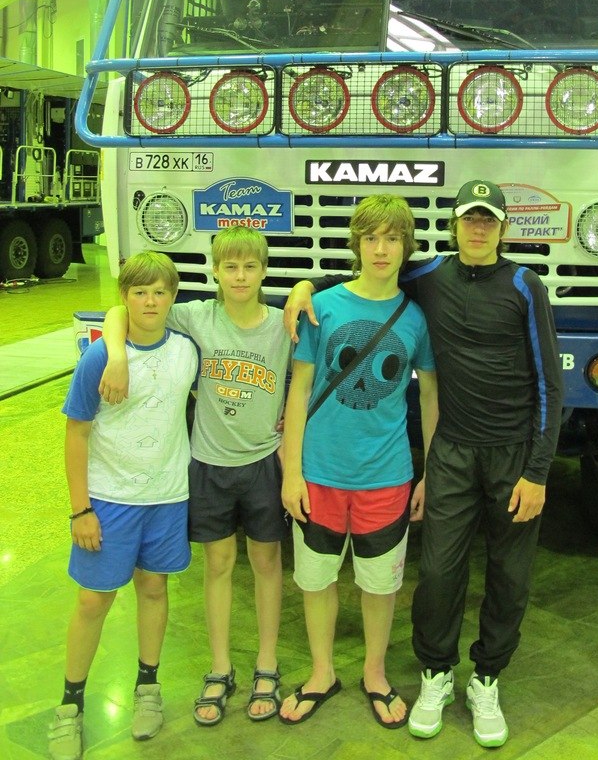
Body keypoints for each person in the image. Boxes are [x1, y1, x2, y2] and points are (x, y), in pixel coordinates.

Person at [284, 179, 564, 749]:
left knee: (510, 575)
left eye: (488, 220)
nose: (478, 229)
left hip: (511, 453)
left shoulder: (524, 284)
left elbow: (550, 383)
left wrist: (537, 471)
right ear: (454, 225)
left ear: (502, 227)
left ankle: (486, 679)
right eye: (469, 219)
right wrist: (305, 285)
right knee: (437, 573)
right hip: (453, 451)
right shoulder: (429, 275)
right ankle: (436, 674)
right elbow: (367, 276)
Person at [98, 227, 291, 727]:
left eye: (250, 267)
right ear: (215, 273)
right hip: (208, 463)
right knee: (219, 564)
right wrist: (116, 354)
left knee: (267, 562)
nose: (240, 277)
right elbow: (119, 310)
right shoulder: (196, 315)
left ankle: (267, 664)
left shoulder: (282, 323)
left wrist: (306, 289)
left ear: (264, 271)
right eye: (231, 267)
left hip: (263, 463)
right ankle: (220, 666)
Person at [279, 195, 438, 730]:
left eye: (392, 238)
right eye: (371, 238)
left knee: (380, 585)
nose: (381, 249)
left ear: (406, 246)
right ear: (357, 245)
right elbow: (299, 390)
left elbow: (430, 396)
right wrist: (292, 472)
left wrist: (429, 472)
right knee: (315, 579)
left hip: (386, 477)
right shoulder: (322, 308)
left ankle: (374, 671)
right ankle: (321, 672)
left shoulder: (415, 318)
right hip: (319, 475)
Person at [49, 251, 199, 760]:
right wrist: (80, 509)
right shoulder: (99, 358)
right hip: (109, 500)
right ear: (124, 297)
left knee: (154, 588)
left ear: (172, 297)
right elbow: (76, 432)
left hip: (167, 497)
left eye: (159, 292)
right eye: (139, 292)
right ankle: (70, 705)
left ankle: (148, 687)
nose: (150, 301)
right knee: (94, 600)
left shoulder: (187, 350)